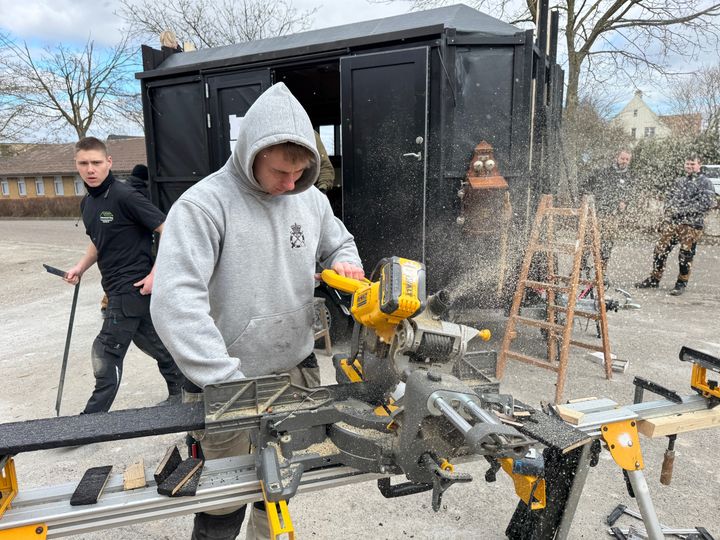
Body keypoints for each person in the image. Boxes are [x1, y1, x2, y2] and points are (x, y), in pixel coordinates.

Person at [150, 82, 363, 540]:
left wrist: (346, 263)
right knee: (222, 507)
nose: (291, 183)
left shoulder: (309, 198)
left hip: (295, 372)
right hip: (227, 381)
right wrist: (224, 379)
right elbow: (174, 303)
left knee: (279, 492)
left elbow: (339, 241)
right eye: (281, 171)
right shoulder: (204, 206)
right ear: (252, 150)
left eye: (301, 171)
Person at [64, 137, 185, 413]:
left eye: (96, 162)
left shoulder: (126, 196)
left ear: (109, 162)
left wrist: (157, 272)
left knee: (106, 351)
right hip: (120, 289)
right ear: (77, 165)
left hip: (132, 287)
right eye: (84, 163)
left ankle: (91, 421)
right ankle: (185, 395)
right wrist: (80, 267)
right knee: (157, 345)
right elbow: (99, 240)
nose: (90, 169)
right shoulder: (88, 204)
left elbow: (170, 230)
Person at [635, 154, 715, 296]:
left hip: (692, 225)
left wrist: (682, 210)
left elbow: (706, 204)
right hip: (674, 223)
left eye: (692, 164)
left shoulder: (705, 182)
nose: (689, 166)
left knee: (685, 256)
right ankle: (654, 279)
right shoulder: (680, 181)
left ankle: (681, 283)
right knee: (660, 250)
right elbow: (670, 198)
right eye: (687, 164)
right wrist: (669, 208)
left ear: (699, 165)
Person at [580, 149, 634, 276]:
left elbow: (631, 195)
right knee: (587, 241)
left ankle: (601, 272)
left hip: (612, 215)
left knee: (607, 244)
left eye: (627, 159)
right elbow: (585, 184)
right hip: (595, 213)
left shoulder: (629, 177)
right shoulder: (603, 172)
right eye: (622, 158)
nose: (624, 161)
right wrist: (587, 197)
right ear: (617, 157)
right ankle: (578, 268)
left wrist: (625, 202)